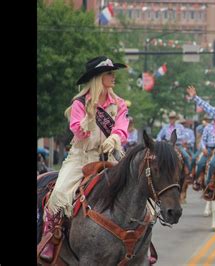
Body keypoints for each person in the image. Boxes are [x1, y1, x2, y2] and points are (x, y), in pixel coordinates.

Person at [39, 56, 129, 262]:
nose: (113, 76)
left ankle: (143, 242)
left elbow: (122, 127)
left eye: (113, 72)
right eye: (109, 73)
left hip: (111, 156)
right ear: (98, 77)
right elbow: (79, 133)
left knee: (139, 192)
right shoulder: (80, 103)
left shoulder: (119, 103)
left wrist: (115, 137)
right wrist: (90, 117)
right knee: (59, 193)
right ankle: (52, 238)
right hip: (82, 157)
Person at [197, 115, 215, 186]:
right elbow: (203, 140)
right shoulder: (207, 127)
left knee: (213, 164)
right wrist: (203, 148)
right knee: (200, 163)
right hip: (209, 148)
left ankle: (208, 181)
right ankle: (197, 178)